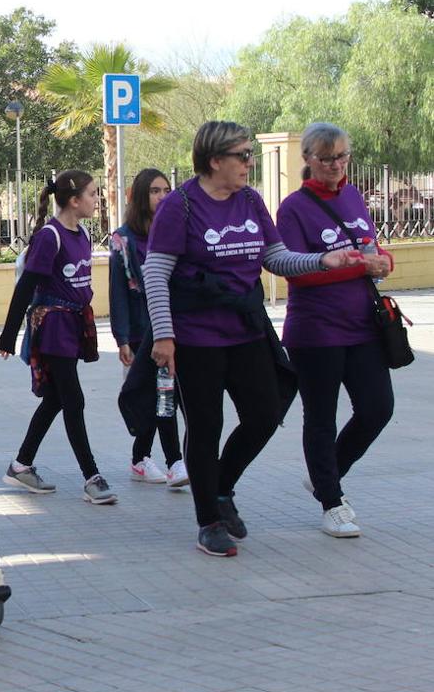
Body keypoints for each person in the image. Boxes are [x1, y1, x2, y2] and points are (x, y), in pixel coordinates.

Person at [143, 121, 361, 557]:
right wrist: (164, 336)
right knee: (205, 427)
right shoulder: (180, 205)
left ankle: (221, 487)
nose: (249, 162)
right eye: (242, 155)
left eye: (249, 154)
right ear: (214, 160)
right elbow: (155, 271)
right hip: (196, 336)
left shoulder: (250, 200)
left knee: (264, 415)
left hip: (245, 330)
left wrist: (324, 259)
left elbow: (275, 257)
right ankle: (209, 521)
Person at [277, 122, 395, 538]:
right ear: (307, 159)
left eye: (342, 156)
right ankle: (331, 501)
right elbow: (297, 271)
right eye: (326, 158)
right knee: (321, 417)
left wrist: (381, 262)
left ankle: (327, 474)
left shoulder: (353, 196)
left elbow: (370, 249)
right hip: (315, 330)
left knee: (377, 408)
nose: (335, 165)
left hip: (363, 325)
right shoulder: (293, 208)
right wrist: (351, 264)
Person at [0, 171, 117, 505]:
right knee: (74, 399)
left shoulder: (82, 235)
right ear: (74, 200)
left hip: (74, 324)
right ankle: (92, 477)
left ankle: (21, 465)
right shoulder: (50, 237)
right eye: (93, 194)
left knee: (55, 399)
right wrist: (8, 335)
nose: (98, 200)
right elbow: (26, 287)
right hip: (52, 326)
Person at [109, 168, 188, 489]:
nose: (162, 197)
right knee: (159, 395)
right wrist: (122, 338)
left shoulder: (175, 231)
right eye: (155, 191)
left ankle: (142, 458)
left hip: (173, 328)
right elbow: (118, 292)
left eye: (167, 190)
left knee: (166, 395)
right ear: (142, 196)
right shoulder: (123, 239)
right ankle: (174, 462)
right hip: (143, 334)